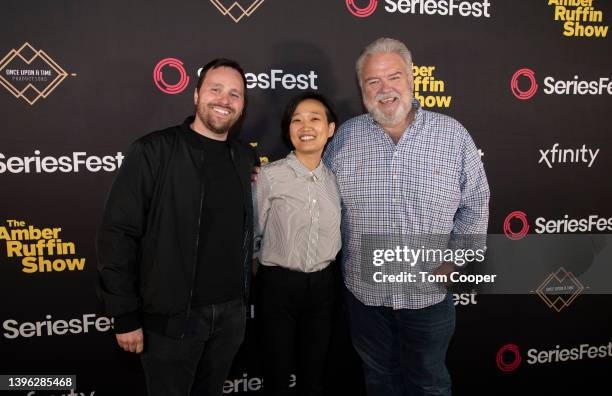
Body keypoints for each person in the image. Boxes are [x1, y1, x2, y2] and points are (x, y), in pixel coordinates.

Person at [322, 38, 490, 396]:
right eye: (373, 81)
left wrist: (453, 262)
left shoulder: (452, 135)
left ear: (411, 78)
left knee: (430, 384)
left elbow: (476, 204)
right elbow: (319, 201)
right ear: (361, 88)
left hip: (427, 296)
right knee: (380, 382)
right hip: (365, 296)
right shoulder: (344, 139)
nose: (385, 89)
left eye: (393, 77)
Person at [97, 58, 257, 396]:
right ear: (196, 95)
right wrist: (125, 315)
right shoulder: (153, 150)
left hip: (230, 317)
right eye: (215, 89)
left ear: (242, 106)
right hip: (171, 321)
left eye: (235, 94)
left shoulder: (244, 159)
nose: (224, 100)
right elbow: (118, 234)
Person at [253, 92, 341, 396]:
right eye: (297, 120)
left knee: (314, 375)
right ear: (288, 129)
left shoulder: (336, 179)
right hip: (277, 287)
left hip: (324, 288)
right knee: (276, 375)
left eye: (315, 118)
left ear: (330, 129)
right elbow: (252, 233)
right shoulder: (269, 176)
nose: (306, 126)